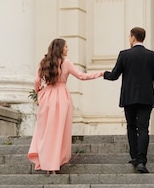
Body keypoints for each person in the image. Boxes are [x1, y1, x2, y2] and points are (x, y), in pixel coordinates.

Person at [28, 38, 103, 174]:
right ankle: (54, 164)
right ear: (60, 48)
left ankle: (46, 162)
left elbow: (36, 81)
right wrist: (100, 73)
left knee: (46, 131)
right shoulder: (66, 63)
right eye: (66, 47)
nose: (68, 49)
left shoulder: (44, 62)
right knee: (59, 132)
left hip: (48, 97)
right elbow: (81, 76)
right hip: (62, 97)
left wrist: (38, 91)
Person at [103, 27, 154, 173]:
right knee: (143, 129)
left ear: (132, 38)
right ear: (143, 38)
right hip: (146, 98)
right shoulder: (152, 56)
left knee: (131, 127)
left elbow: (114, 75)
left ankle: (134, 156)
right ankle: (142, 160)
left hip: (129, 98)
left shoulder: (124, 55)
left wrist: (103, 74)